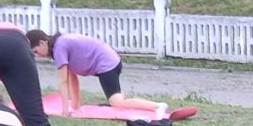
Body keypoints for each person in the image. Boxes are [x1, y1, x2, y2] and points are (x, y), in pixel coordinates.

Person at [37, 29, 165, 115]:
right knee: (117, 99)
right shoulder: (60, 43)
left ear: (42, 43)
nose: (37, 56)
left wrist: (65, 110)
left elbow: (63, 82)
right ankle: (125, 98)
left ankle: (157, 106)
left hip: (107, 64)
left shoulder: (59, 47)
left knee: (116, 103)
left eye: (36, 51)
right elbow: (72, 76)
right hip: (109, 61)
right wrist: (75, 106)